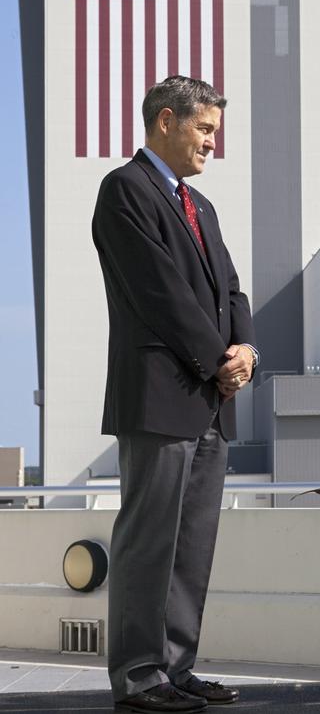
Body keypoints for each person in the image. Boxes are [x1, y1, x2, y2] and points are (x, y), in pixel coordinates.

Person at [92, 76, 257, 712]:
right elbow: (158, 291)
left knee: (192, 545)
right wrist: (218, 359)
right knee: (148, 541)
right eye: (205, 129)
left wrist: (245, 350)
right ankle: (138, 677)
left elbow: (231, 292)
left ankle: (176, 669)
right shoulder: (124, 191)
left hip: (211, 400)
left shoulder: (201, 207)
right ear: (167, 121)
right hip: (161, 396)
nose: (213, 143)